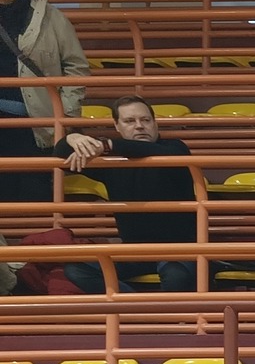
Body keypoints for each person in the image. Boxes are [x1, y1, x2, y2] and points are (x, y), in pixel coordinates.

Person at [62, 97, 200, 294]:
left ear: (155, 123)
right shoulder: (112, 161)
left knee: (176, 275)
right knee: (77, 269)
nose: (139, 126)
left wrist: (108, 145)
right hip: (133, 250)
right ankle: (136, 306)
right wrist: (73, 138)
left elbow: (154, 152)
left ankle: (152, 312)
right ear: (117, 126)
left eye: (145, 120)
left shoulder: (175, 147)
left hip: (179, 249)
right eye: (129, 121)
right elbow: (60, 157)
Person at [0, 0, 98, 207]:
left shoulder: (51, 17)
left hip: (37, 124)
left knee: (34, 197)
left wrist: (66, 114)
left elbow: (76, 67)